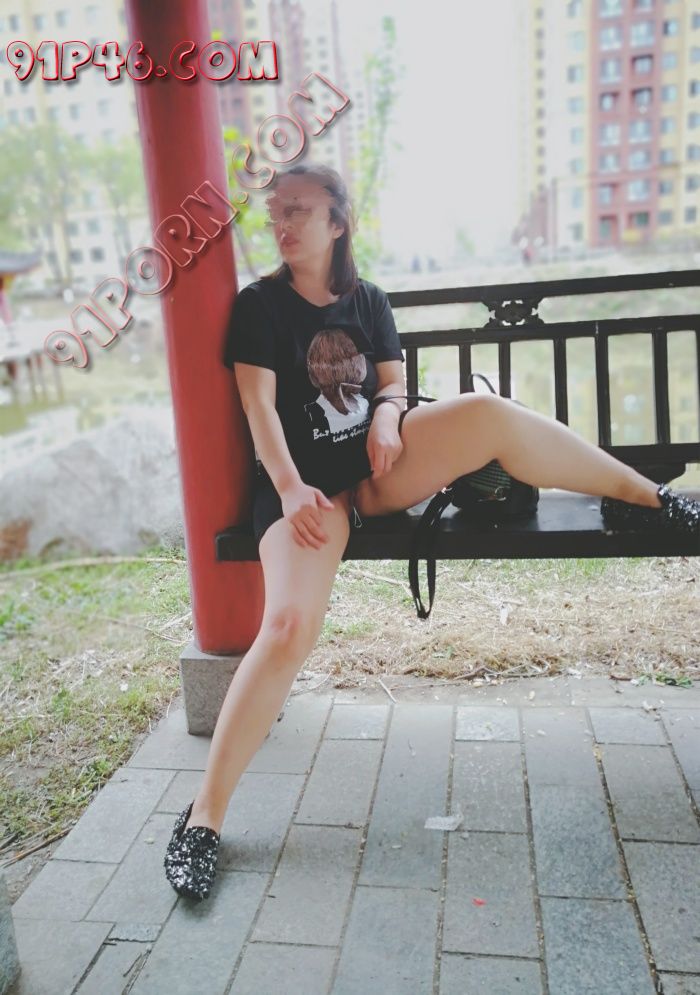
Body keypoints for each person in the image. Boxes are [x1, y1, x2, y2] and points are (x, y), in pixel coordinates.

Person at [164, 162, 700, 901]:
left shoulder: (369, 300)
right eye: (276, 212)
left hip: (379, 471)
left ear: (337, 222)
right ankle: (203, 817)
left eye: (299, 210)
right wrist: (289, 490)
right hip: (307, 493)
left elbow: (391, 382)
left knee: (491, 415)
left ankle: (648, 498)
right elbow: (258, 408)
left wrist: (389, 415)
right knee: (286, 628)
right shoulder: (261, 306)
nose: (282, 223)